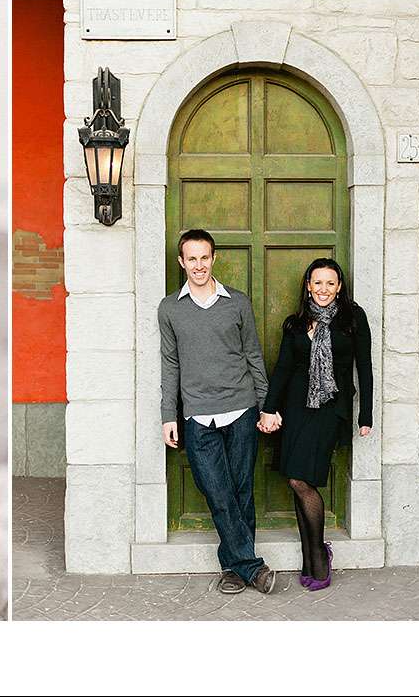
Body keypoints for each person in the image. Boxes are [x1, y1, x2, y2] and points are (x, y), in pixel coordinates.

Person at [158, 228, 275, 595]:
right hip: (197, 416)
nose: (198, 265)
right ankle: (252, 566)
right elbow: (170, 364)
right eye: (191, 258)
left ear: (214, 258)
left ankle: (233, 569)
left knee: (241, 491)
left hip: (240, 409)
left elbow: (254, 355)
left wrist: (266, 406)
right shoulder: (170, 308)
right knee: (219, 494)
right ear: (181, 262)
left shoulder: (236, 303)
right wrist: (168, 415)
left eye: (204, 257)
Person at [258, 258, 373, 591]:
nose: (323, 289)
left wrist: (365, 414)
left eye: (330, 283)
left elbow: (363, 366)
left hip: (329, 408)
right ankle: (311, 554)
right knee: (297, 479)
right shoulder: (295, 324)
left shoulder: (353, 318)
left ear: (339, 287)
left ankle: (319, 556)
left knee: (300, 478)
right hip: (295, 408)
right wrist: (269, 409)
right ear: (308, 285)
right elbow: (281, 370)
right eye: (317, 283)